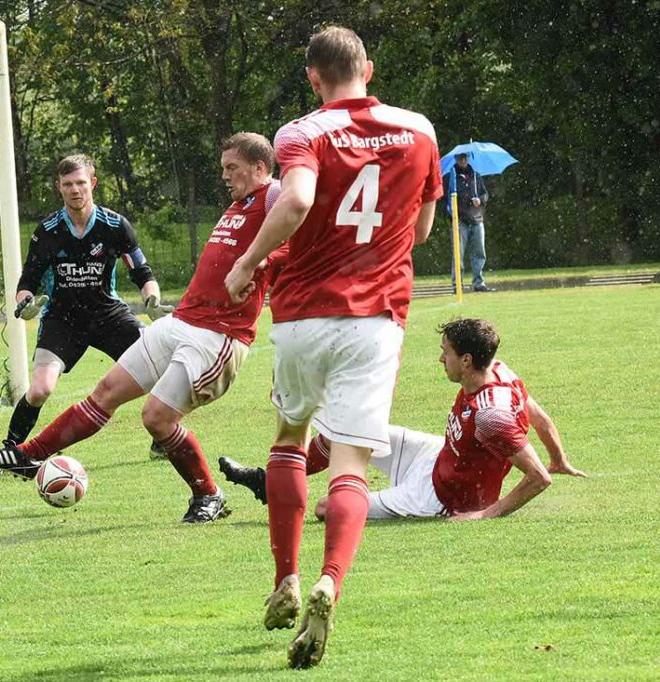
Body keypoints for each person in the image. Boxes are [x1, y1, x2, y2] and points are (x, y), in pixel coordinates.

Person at [223, 26, 442, 670]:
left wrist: (248, 265)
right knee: (349, 463)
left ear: (313, 77)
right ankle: (330, 582)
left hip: (301, 316)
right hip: (376, 318)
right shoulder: (418, 129)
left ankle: (286, 577)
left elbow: (294, 200)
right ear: (367, 69)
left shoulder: (301, 133)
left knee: (290, 439)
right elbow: (422, 227)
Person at [0, 133, 286, 523]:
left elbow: (303, 220)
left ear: (259, 167)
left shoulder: (274, 196)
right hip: (181, 321)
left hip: (218, 334)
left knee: (156, 418)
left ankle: (208, 494)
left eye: (231, 168)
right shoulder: (243, 204)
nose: (223, 176)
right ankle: (26, 454)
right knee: (105, 391)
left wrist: (263, 262)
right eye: (223, 168)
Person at [220, 318, 586, 520]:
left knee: (326, 509)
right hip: (436, 456)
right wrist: (559, 458)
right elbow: (537, 415)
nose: (441, 360)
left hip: (439, 496)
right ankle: (270, 484)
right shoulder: (500, 371)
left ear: (468, 361)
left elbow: (538, 479)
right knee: (343, 434)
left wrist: (487, 515)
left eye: (446, 353)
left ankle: (337, 493)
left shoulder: (491, 417)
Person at [0, 154, 167, 464]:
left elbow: (142, 272)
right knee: (40, 390)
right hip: (62, 319)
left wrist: (151, 299)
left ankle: (163, 439)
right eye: (68, 184)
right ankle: (12, 450)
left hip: (108, 315)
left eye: (81, 183)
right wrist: (25, 305)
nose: (75, 190)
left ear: (93, 183)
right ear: (58, 188)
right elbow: (28, 281)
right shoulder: (47, 231)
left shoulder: (115, 225)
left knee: (162, 371)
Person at [447, 153, 493, 292]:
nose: (463, 159)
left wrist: (480, 200)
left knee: (479, 253)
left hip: (477, 219)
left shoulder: (476, 176)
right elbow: (446, 199)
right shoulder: (451, 177)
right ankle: (457, 284)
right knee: (458, 254)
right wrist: (452, 214)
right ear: (455, 159)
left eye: (465, 157)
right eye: (460, 158)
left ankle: (478, 283)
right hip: (459, 221)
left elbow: (485, 194)